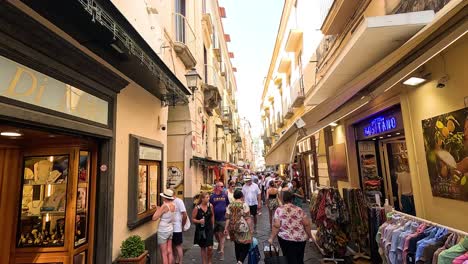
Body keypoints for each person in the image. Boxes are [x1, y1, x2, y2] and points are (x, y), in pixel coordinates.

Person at [268, 191, 313, 264]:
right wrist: (310, 236)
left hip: (286, 239)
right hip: (300, 239)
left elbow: (276, 226)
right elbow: (307, 224)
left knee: (289, 259)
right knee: (299, 259)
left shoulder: (279, 210)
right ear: (292, 199)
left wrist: (271, 238)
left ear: (282, 199)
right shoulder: (299, 209)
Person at [224, 190, 253, 264]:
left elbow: (227, 217)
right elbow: (247, 218)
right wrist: (251, 229)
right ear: (241, 196)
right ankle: (240, 261)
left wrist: (226, 228)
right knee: (246, 244)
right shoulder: (244, 204)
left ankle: (238, 261)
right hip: (242, 227)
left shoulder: (230, 205)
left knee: (237, 244)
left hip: (232, 227)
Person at [152, 189, 176, 264]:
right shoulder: (173, 205)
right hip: (170, 229)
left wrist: (158, 210)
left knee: (164, 253)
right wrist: (159, 209)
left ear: (165, 198)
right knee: (169, 250)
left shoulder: (164, 206)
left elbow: (154, 218)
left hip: (163, 230)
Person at [192, 192, 215, 264]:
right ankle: (204, 262)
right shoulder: (197, 208)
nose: (209, 198)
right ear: (202, 199)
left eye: (209, 197)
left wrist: (213, 224)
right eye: (207, 197)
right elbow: (192, 219)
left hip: (209, 228)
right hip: (201, 230)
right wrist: (199, 221)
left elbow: (212, 215)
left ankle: (209, 261)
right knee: (203, 247)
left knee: (210, 247)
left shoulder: (210, 206)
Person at [209, 181, 229, 261]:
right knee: (216, 235)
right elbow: (210, 207)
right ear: (217, 187)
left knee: (222, 236)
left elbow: (228, 204)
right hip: (214, 219)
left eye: (223, 186)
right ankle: (219, 245)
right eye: (221, 186)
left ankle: (222, 252)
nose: (222, 188)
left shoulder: (225, 195)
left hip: (223, 219)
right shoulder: (212, 197)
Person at [172, 191, 187, 264]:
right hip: (172, 227)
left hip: (177, 227)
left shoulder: (179, 201)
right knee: (175, 246)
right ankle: (176, 260)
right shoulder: (170, 201)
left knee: (177, 246)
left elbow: (185, 214)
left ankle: (180, 261)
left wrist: (182, 225)